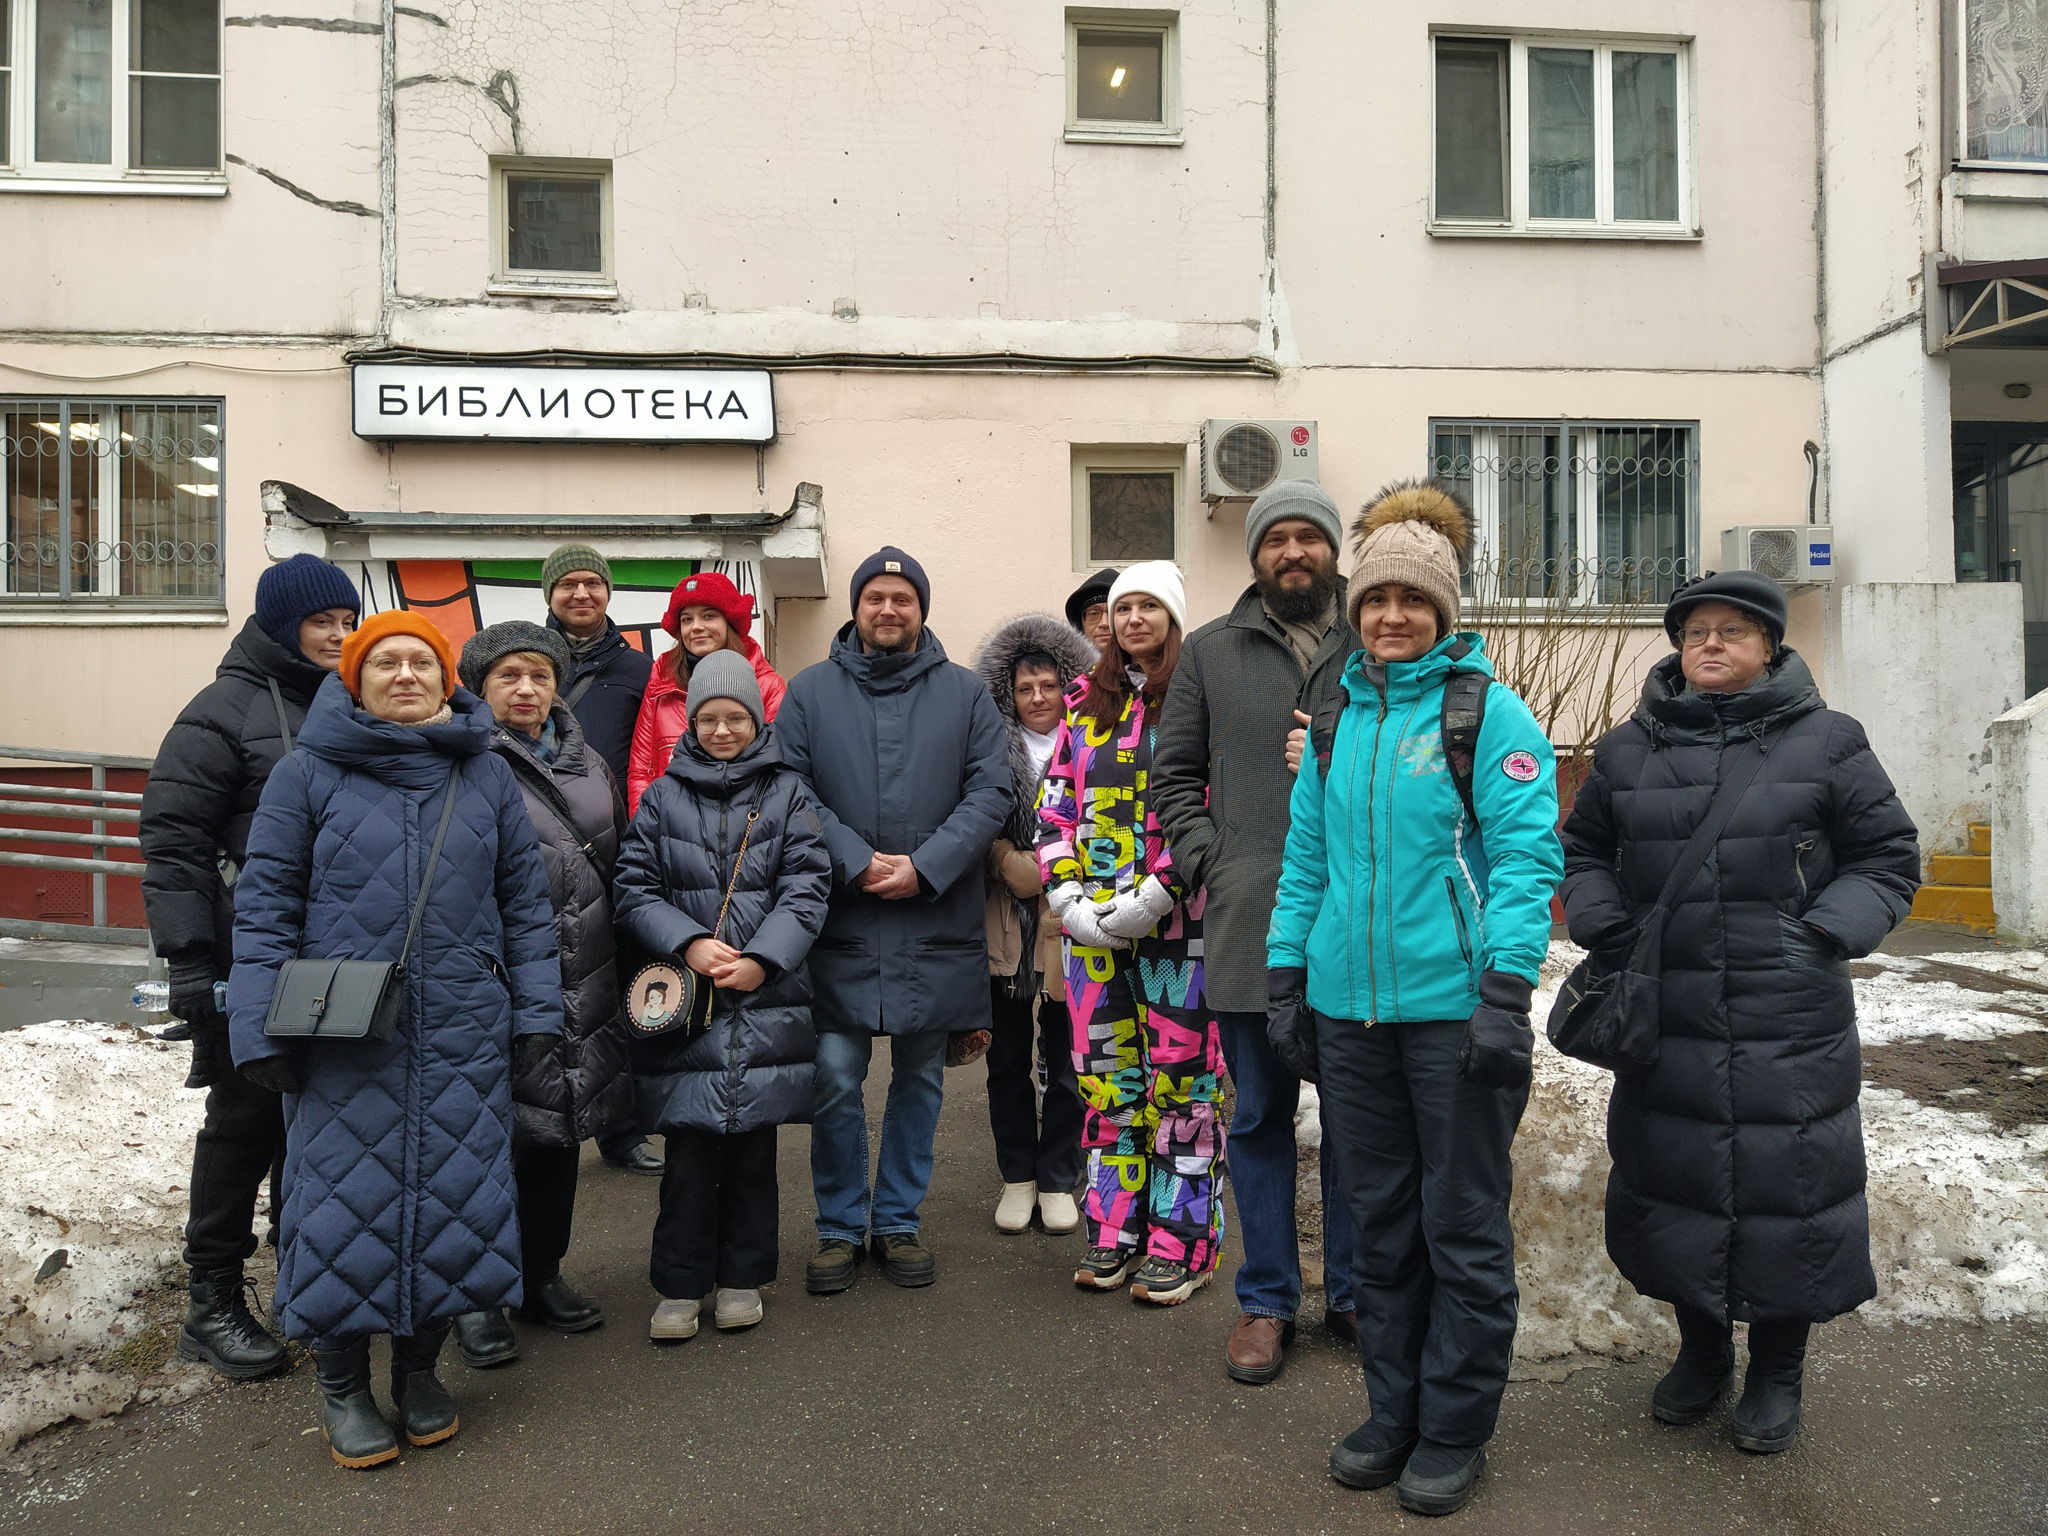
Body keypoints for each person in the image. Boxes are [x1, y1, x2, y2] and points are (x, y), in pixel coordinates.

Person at [1560, 570, 1921, 1457]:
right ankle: (1702, 1350)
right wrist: (1607, 924)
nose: (1710, 644)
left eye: (1732, 630)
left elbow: (1888, 856)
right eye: (1695, 632)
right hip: (1667, 1009)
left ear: (1769, 646)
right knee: (1675, 1177)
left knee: (1787, 1190)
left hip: (1788, 1017)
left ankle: (1778, 1368)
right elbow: (1582, 850)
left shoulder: (1829, 742)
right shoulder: (1629, 749)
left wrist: (1822, 935)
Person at [1266, 480, 1563, 1516]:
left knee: (1461, 1228)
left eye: (1412, 601)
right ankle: (1391, 1411)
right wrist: (1285, 972)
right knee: (1380, 1226)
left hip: (1454, 1018)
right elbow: (1305, 855)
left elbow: (1527, 858)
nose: (1390, 616)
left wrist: (1503, 988)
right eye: (1375, 599)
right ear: (1355, 610)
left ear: (1442, 610)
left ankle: (1452, 1426)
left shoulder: (1484, 708)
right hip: (1351, 1020)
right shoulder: (1338, 708)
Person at [227, 610, 562, 1469]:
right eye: (386, 662)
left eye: (422, 661)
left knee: (455, 1201)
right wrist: (256, 1027)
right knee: (339, 1208)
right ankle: (343, 1385)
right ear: (354, 679)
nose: (406, 674)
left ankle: (419, 1370)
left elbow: (526, 909)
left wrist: (533, 1015)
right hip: (341, 1032)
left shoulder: (483, 776)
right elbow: (264, 908)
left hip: (460, 1031)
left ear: (446, 678)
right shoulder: (305, 775)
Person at [1151, 480, 1360, 1384]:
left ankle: (1356, 1291)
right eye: (1276, 540)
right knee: (1263, 1118)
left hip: (1362, 927)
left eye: (1309, 538)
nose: (1292, 554)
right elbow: (1173, 779)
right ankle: (1267, 1299)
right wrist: (1216, 861)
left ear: (1332, 551)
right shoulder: (1210, 652)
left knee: (1359, 1123)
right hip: (1250, 924)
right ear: (1256, 557)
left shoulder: (1380, 639)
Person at [139, 553, 361, 1383]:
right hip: (249, 959)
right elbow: (174, 842)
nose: (338, 636)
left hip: (337, 957)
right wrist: (192, 962)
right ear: (280, 626)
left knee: (314, 1127)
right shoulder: (221, 711)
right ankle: (212, 1301)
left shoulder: (350, 701)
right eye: (320, 623)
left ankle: (300, 1280)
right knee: (243, 1125)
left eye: (346, 622)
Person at [773, 547, 1010, 1294]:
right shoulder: (809, 693)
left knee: (921, 1079)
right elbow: (788, 784)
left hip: (933, 916)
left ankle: (899, 1220)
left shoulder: (968, 695)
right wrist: (855, 858)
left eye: (901, 599)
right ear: (856, 607)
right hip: (840, 917)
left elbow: (991, 789)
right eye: (874, 597)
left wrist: (927, 866)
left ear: (921, 610)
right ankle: (841, 1228)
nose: (887, 609)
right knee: (837, 1076)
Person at [614, 651, 833, 1340]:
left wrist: (766, 957)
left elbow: (808, 884)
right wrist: (687, 942)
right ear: (691, 721)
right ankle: (679, 1286)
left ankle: (742, 1278)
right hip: (690, 1005)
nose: (721, 730)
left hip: (765, 998)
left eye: (735, 717)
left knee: (753, 1156)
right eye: (708, 718)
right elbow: (634, 888)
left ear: (756, 718)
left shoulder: (789, 792)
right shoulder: (662, 796)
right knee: (688, 1156)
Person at [1037, 562, 1226, 1304]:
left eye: (1151, 606)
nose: (1135, 619)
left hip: (1179, 931)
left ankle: (1184, 1243)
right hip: (1091, 937)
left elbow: (1214, 802)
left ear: (1175, 618)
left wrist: (1163, 888)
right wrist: (1066, 893)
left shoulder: (1196, 702)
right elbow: (1053, 810)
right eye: (1124, 608)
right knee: (1107, 1090)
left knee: (1182, 1092)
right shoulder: (1084, 707)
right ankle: (1114, 1234)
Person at [449, 622, 633, 1370]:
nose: (526, 690)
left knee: (557, 1132)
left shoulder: (588, 764)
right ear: (478, 687)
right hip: (491, 981)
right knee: (484, 1143)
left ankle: (540, 1274)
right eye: (507, 677)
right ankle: (473, 1295)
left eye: (539, 675)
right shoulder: (458, 757)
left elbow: (615, 859)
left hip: (581, 973)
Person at [972, 612, 1096, 1235]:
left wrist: (1048, 869)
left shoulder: (1094, 742)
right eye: (1025, 688)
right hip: (1004, 923)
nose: (1038, 697)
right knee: (1008, 1058)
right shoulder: (988, 745)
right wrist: (1002, 858)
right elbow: (970, 814)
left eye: (1048, 684)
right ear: (1008, 694)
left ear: (1070, 684)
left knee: (1069, 1055)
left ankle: (1058, 1177)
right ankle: (1016, 1176)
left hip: (1072, 921)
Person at [541, 543, 661, 1176]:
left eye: (592, 583)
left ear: (608, 592)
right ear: (550, 595)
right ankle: (545, 1123)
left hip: (611, 842)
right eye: (568, 585)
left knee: (617, 986)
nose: (581, 594)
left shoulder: (638, 670)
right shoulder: (527, 661)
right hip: (536, 846)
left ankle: (621, 1128)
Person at [626, 570, 787, 815]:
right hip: (671, 826)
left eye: (708, 616)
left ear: (729, 622)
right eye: (687, 619)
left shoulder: (767, 685)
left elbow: (777, 768)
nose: (696, 627)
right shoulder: (661, 682)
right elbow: (641, 768)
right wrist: (645, 826)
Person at [1064, 568, 1117, 654]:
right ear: (1080, 625)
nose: (1104, 623)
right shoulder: (1058, 666)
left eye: (1112, 613)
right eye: (1094, 614)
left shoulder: (1144, 666)